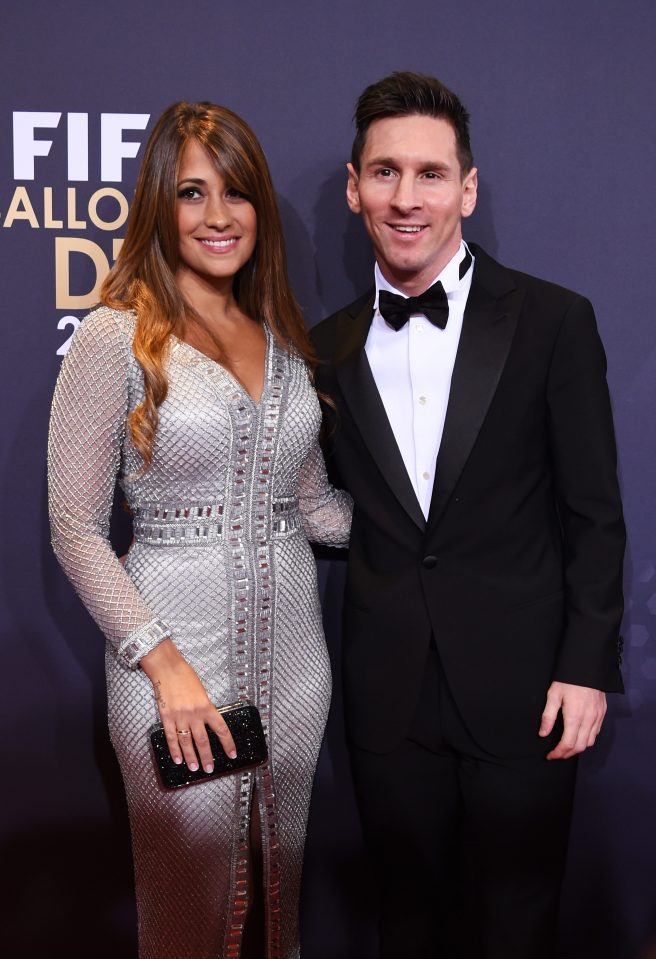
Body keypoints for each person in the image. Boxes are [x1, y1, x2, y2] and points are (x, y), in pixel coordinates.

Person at [311, 72, 625, 959]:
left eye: (430, 174)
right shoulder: (322, 346)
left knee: (518, 922)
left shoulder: (555, 321)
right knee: (404, 923)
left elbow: (594, 510)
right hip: (388, 694)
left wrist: (586, 666)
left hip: (529, 692)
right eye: (384, 173)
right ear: (352, 185)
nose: (405, 198)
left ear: (468, 189)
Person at [48, 101, 351, 959]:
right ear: (159, 204)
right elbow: (73, 524)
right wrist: (164, 663)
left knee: (276, 913)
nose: (218, 216)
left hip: (295, 666)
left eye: (237, 192)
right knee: (185, 918)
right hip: (171, 666)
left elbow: (317, 508)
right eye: (192, 192)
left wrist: (451, 522)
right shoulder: (116, 338)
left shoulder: (284, 342)